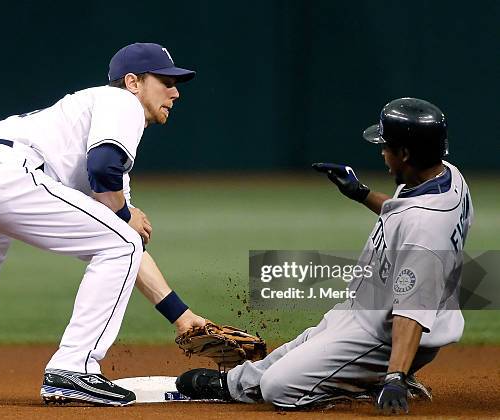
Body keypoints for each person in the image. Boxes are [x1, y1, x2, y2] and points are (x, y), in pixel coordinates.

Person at [0, 42, 206, 407]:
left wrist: (180, 315)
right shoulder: (121, 103)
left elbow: (123, 235)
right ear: (133, 82)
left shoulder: (88, 118)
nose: (175, 92)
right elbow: (104, 168)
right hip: (0, 171)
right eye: (165, 81)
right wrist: (126, 215)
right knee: (120, 242)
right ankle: (72, 370)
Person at [177, 98, 473, 415]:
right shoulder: (443, 178)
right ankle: (236, 385)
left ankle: (366, 386)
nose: (381, 152)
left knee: (280, 389)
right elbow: (402, 213)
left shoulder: (425, 229)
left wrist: (396, 376)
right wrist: (361, 193)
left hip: (384, 335)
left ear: (405, 153)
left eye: (386, 146)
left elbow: (411, 311)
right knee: (299, 348)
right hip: (367, 307)